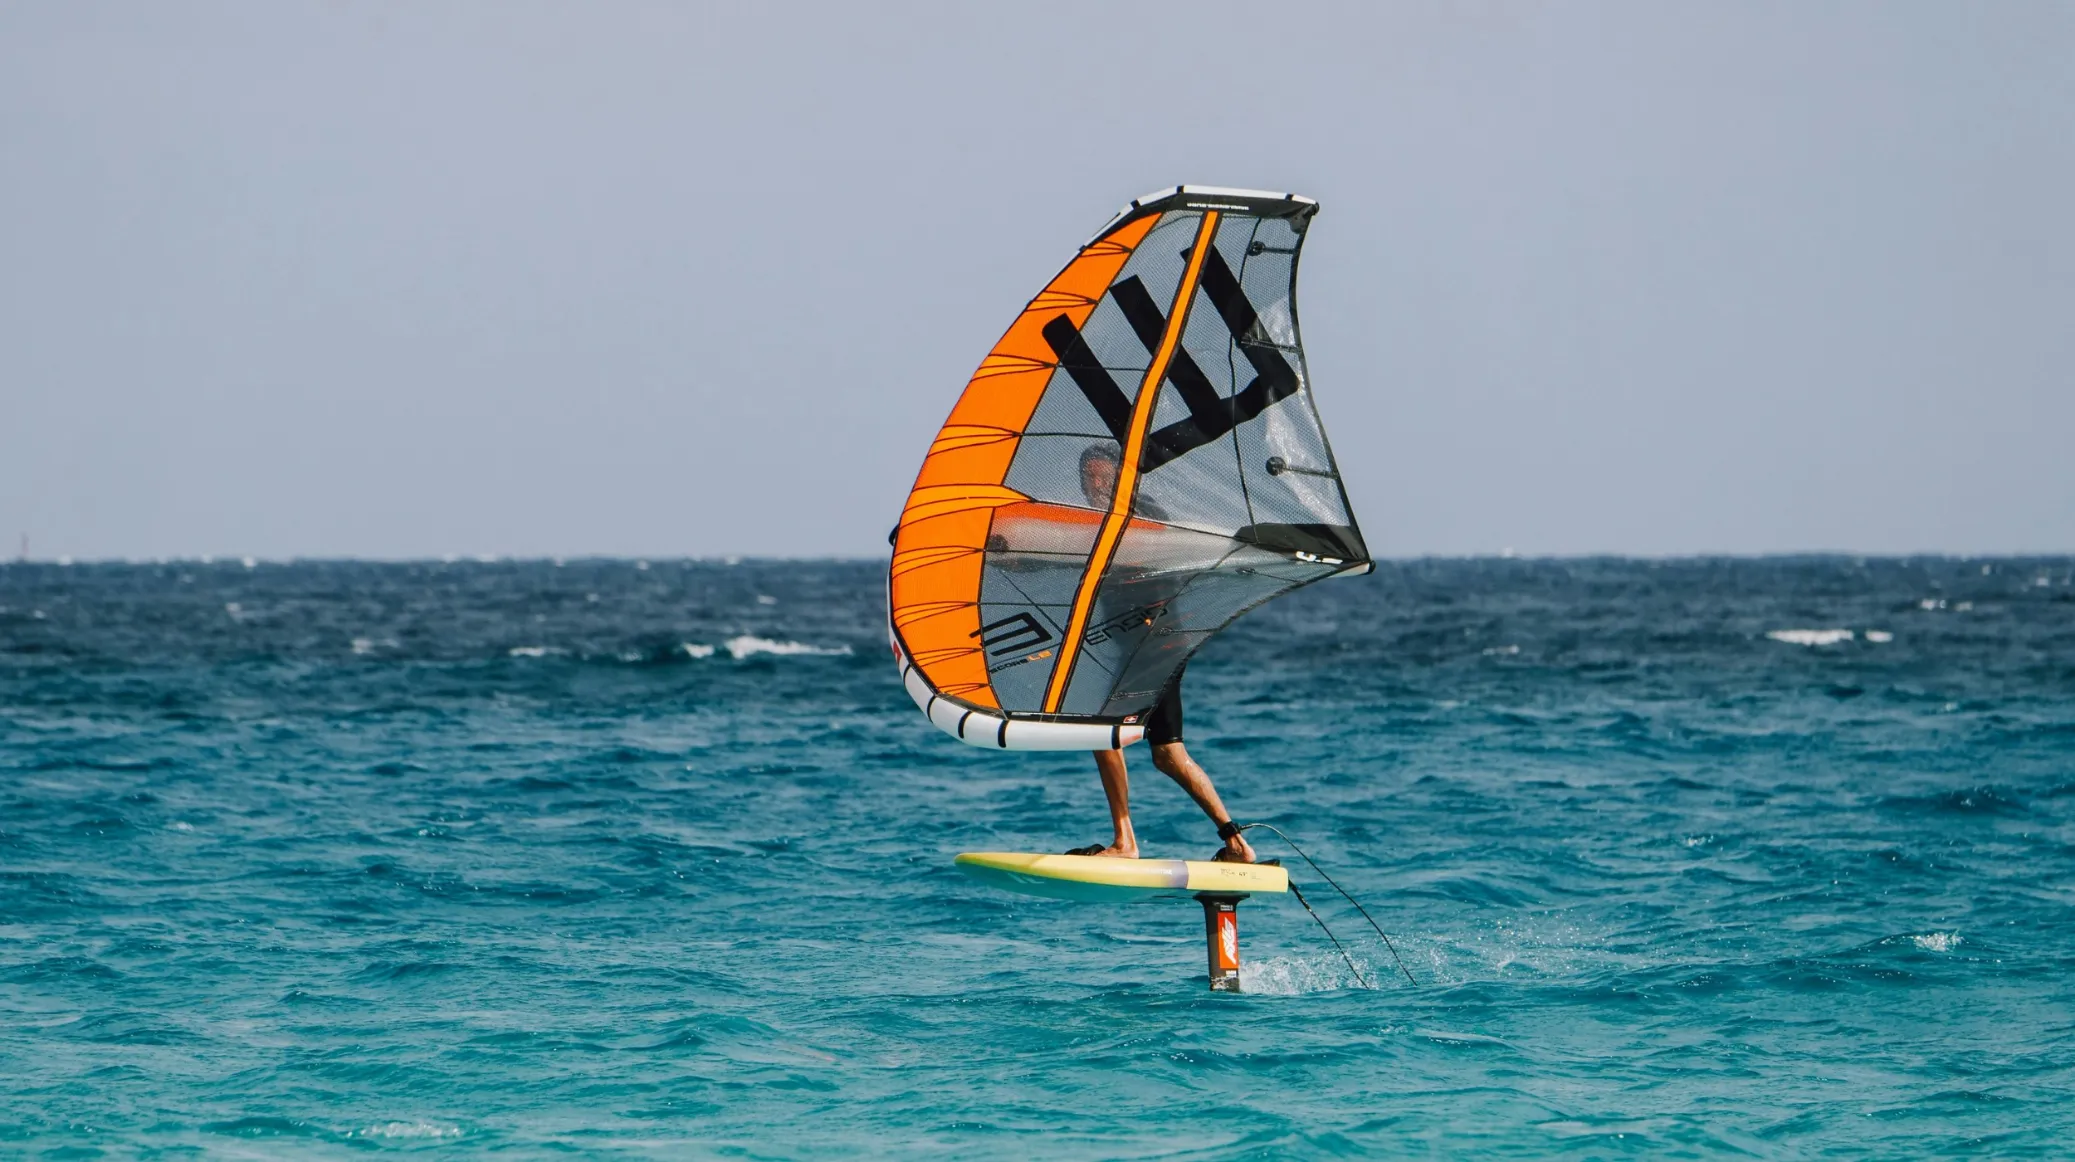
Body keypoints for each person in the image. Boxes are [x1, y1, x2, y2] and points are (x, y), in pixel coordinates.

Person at [1066, 442, 1256, 864]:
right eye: (1088, 478)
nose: (1095, 485)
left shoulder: (1146, 515)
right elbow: (1054, 554)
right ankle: (1238, 844)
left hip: (1155, 648)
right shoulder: (1096, 525)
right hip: (1155, 652)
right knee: (1169, 755)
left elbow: (1128, 552)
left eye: (1103, 477)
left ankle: (1125, 843)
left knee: (1103, 731)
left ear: (1122, 479)